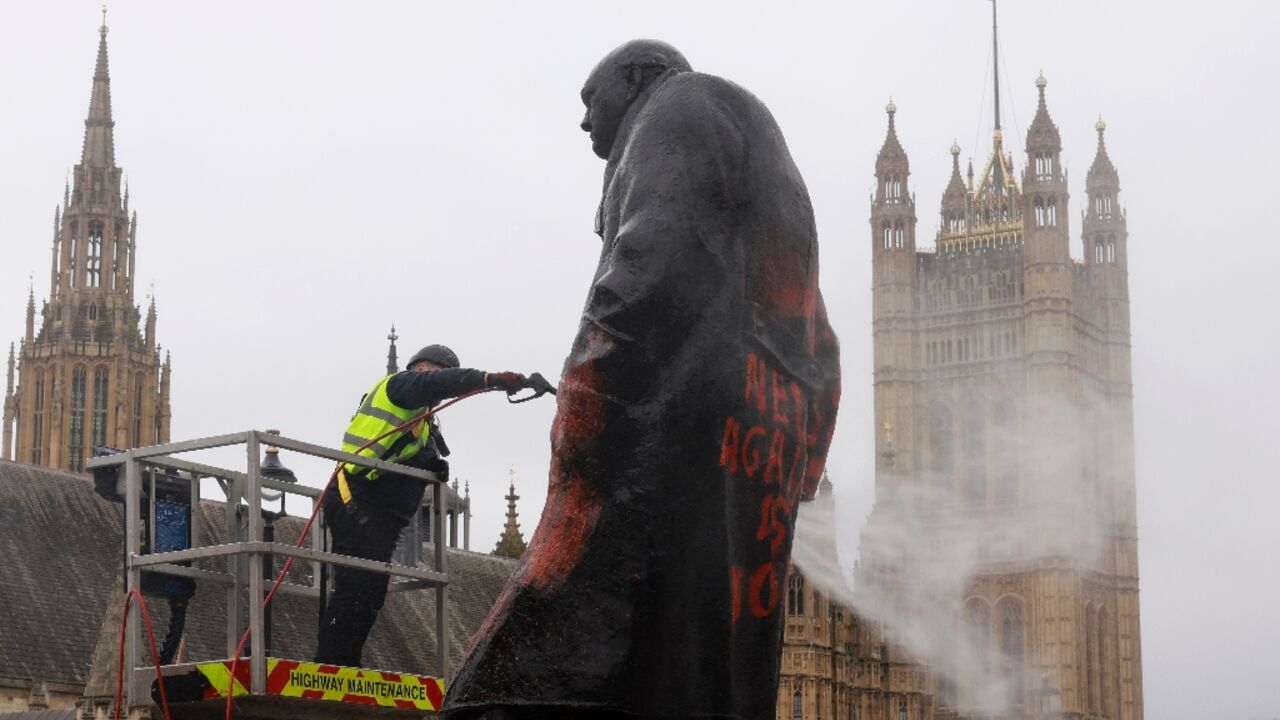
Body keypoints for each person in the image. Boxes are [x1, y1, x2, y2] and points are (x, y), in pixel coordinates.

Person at [444, 40, 841, 720]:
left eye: (589, 99)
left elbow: (654, 254)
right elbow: (815, 330)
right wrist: (806, 453)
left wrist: (588, 385)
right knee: (711, 666)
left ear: (635, 78)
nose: (583, 121)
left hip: (671, 422)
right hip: (765, 440)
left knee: (506, 685)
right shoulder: (770, 156)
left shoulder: (677, 105)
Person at [315, 344, 526, 668]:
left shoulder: (421, 420)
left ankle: (345, 662)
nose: (439, 394)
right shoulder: (400, 386)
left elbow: (415, 453)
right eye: (438, 375)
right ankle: (330, 665)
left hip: (377, 515)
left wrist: (433, 467)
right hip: (355, 501)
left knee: (371, 594)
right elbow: (437, 384)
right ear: (421, 368)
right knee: (355, 589)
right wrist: (490, 379)